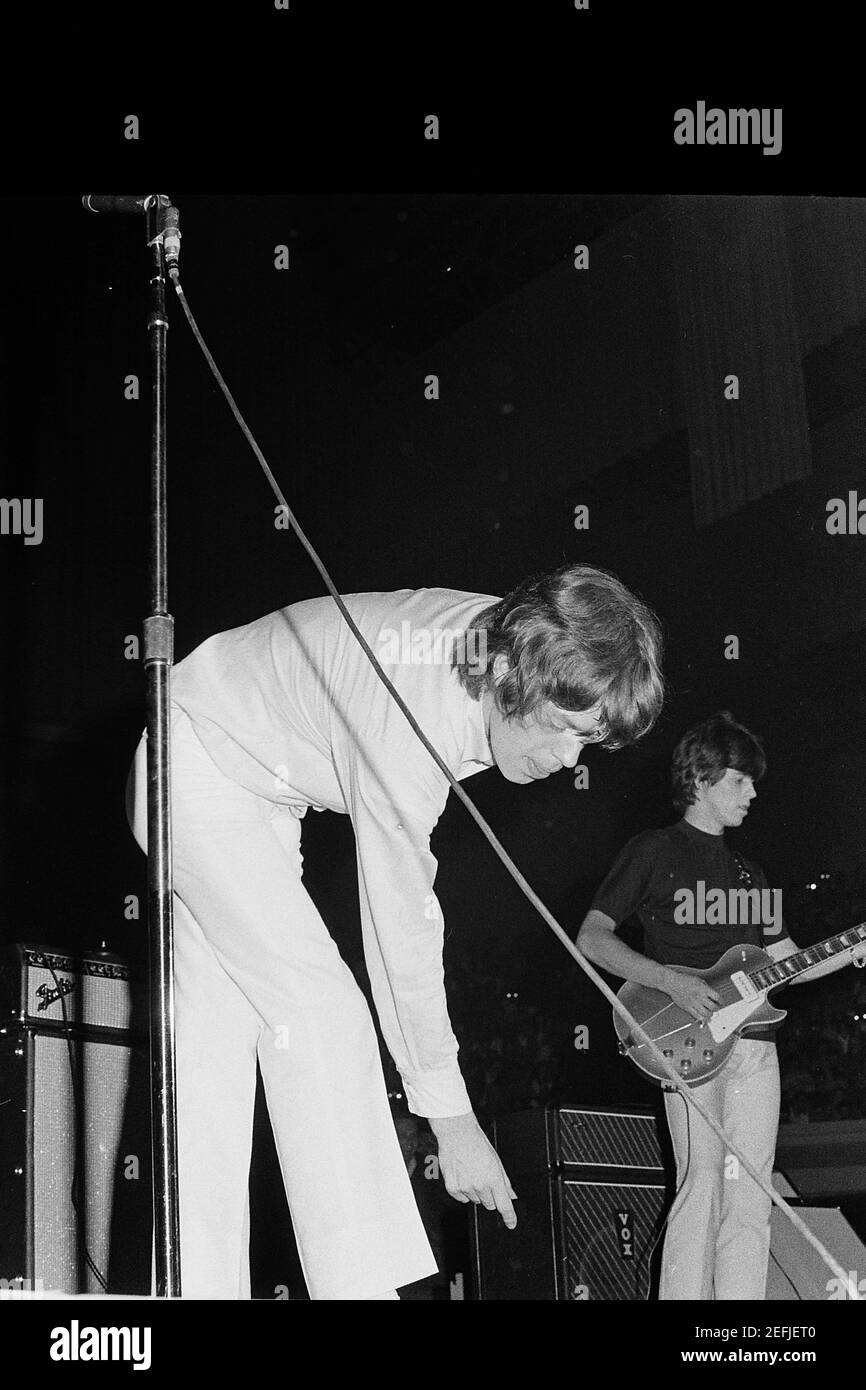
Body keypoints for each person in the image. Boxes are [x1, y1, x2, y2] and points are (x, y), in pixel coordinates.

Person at [126, 563, 663, 1299]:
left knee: (216, 1045)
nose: (571, 760)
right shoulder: (414, 710)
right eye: (568, 732)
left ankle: (195, 1289)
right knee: (323, 1012)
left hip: (254, 790)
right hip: (192, 764)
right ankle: (363, 1289)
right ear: (511, 675)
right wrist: (451, 1118)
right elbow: (402, 927)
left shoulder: (515, 640)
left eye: (589, 742)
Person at [576, 711, 866, 1300]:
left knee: (751, 1193)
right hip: (685, 1041)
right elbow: (592, 937)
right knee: (701, 1182)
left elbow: (792, 961)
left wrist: (856, 948)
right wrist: (669, 980)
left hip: (756, 1047)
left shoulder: (751, 874)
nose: (753, 794)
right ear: (702, 780)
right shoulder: (653, 850)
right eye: (740, 781)